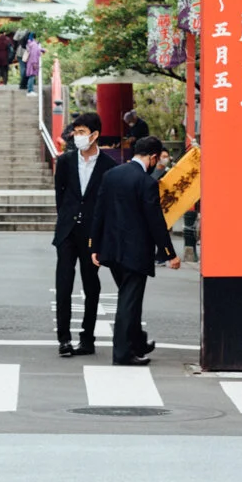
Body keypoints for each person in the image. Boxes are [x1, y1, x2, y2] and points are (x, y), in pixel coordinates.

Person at [90, 135, 180, 366]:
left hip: (111, 250)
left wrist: (94, 245)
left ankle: (137, 342)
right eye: (157, 160)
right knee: (128, 302)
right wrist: (169, 253)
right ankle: (122, 353)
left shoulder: (111, 175)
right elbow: (155, 221)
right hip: (135, 252)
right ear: (153, 157)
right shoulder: (146, 182)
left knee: (129, 298)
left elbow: (99, 211)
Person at [52, 112, 109, 357]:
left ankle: (87, 338)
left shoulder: (108, 166)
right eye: (75, 132)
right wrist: (66, 219)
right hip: (67, 231)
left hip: (91, 233)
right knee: (63, 284)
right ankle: (64, 339)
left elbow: (107, 203)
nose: (77, 136)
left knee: (91, 285)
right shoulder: (65, 161)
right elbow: (60, 195)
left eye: (82, 132)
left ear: (94, 135)